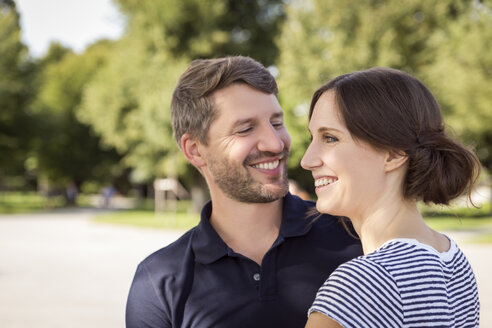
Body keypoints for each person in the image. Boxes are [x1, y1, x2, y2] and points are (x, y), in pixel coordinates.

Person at [125, 56, 362, 328]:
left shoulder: (355, 237)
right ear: (195, 150)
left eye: (276, 123)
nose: (275, 144)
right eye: (246, 128)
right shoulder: (158, 283)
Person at [301, 67, 480, 328]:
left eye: (330, 138)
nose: (307, 160)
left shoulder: (361, 284)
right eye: (312, 138)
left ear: (393, 154)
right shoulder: (455, 263)